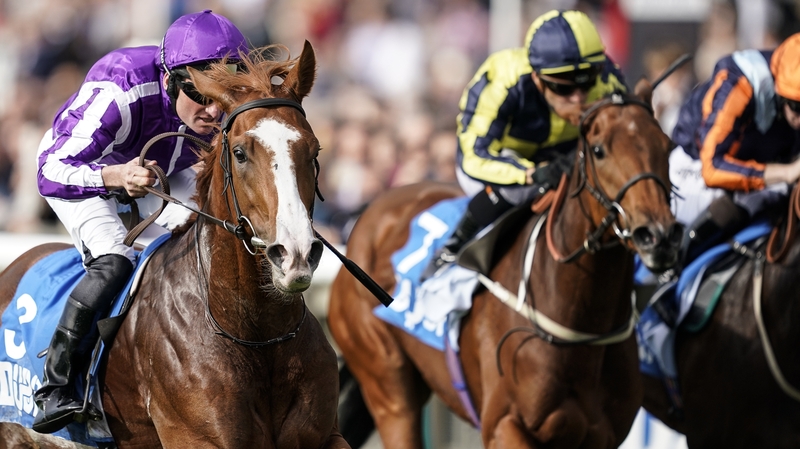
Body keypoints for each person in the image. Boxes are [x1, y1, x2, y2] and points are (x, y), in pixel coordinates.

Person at [32, 10, 248, 433]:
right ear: (170, 80)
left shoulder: (223, 107)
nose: (214, 111)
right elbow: (49, 170)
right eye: (201, 95)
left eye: (225, 96)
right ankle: (56, 385)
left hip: (166, 168)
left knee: (212, 242)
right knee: (116, 259)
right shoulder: (122, 87)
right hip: (85, 169)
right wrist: (115, 176)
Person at [422, 9, 627, 279]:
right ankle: (452, 249)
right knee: (521, 191)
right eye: (563, 88)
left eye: (587, 82)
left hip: (568, 156)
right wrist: (531, 174)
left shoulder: (607, 77)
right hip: (504, 164)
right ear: (537, 79)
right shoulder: (503, 80)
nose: (578, 98)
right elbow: (474, 157)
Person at [669, 32, 800, 267]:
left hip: (752, 171)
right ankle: (672, 273)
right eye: (797, 106)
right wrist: (787, 172)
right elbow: (712, 170)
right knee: (750, 199)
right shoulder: (739, 83)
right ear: (779, 91)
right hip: (692, 169)